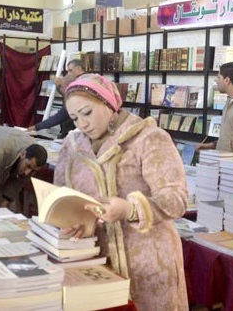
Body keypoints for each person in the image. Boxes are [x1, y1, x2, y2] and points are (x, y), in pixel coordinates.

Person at [53, 74, 189, 310]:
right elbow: (61, 196)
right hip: (95, 262)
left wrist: (129, 209)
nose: (82, 124)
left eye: (87, 113)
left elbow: (176, 200)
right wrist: (69, 222)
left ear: (109, 103)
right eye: (74, 118)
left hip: (148, 262)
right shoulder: (72, 144)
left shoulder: (149, 138)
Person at [28, 59, 86, 138]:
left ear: (79, 69)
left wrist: (37, 127)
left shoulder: (80, 86)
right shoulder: (83, 83)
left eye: (70, 70)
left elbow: (60, 116)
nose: (68, 74)